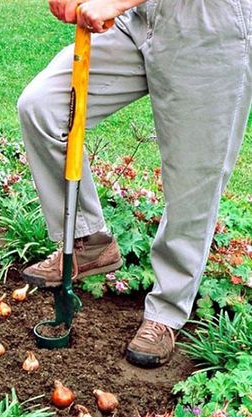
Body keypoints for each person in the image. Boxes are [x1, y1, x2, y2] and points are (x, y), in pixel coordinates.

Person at [17, 0, 252, 367]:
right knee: (43, 107)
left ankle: (167, 310)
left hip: (208, 29)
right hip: (141, 17)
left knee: (193, 178)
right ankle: (87, 239)